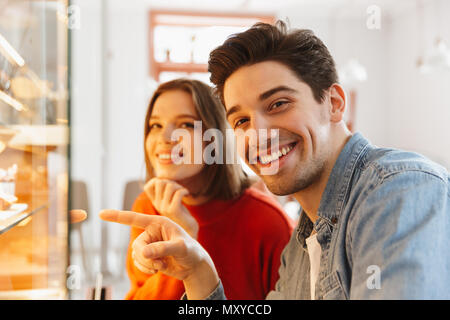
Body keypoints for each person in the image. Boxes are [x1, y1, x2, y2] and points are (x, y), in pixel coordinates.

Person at [100, 22, 450, 299]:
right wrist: (196, 269)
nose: (259, 134)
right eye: (241, 121)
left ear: (335, 103)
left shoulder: (398, 190)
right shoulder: (300, 245)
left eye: (278, 104)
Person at [122, 79, 294, 300]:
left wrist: (188, 249)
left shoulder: (268, 223)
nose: (164, 138)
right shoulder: (147, 206)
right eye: (156, 125)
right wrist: (180, 248)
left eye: (186, 125)